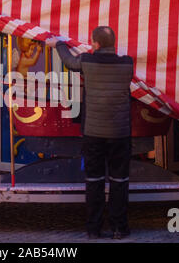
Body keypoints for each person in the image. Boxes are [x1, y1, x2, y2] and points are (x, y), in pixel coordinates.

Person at [46, 27, 133, 240]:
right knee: (119, 181)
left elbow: (68, 60)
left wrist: (57, 43)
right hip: (120, 134)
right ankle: (119, 228)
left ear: (95, 44)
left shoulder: (87, 61)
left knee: (94, 180)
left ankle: (93, 229)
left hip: (93, 133)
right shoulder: (127, 63)